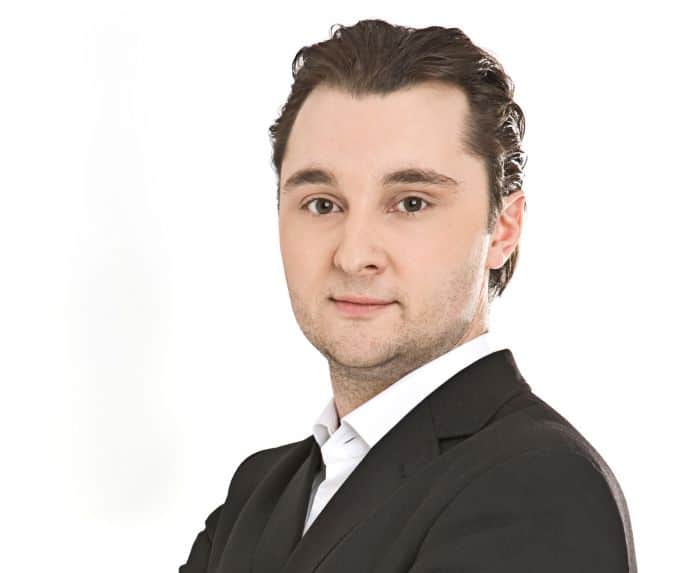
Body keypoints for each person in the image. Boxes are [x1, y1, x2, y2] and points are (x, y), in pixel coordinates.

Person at [179, 19, 637, 572]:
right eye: (322, 204)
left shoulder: (540, 487)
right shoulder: (256, 496)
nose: (353, 256)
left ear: (504, 228)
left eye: (411, 203)